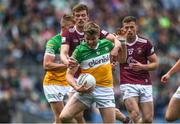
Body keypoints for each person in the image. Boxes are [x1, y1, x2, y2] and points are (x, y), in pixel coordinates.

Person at [60, 3, 127, 123]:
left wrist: (120, 45)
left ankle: (124, 119)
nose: (90, 42)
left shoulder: (106, 43)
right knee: (64, 117)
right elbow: (67, 71)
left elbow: (121, 57)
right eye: (87, 39)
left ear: (99, 36)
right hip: (84, 86)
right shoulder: (79, 50)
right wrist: (76, 86)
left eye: (93, 39)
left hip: (105, 90)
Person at [118, 16, 158, 123]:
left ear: (136, 27)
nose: (129, 30)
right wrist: (121, 42)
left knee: (148, 120)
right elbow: (121, 61)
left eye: (132, 27)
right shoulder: (118, 42)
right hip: (127, 82)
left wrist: (142, 66)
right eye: (126, 28)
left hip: (145, 83)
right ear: (123, 28)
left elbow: (155, 64)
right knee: (135, 114)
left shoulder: (145, 43)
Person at [42, 14, 74, 124]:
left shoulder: (74, 41)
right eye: (71, 27)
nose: (73, 30)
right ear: (63, 28)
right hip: (53, 84)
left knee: (74, 117)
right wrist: (66, 65)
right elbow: (46, 65)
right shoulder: (53, 42)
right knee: (61, 118)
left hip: (69, 82)